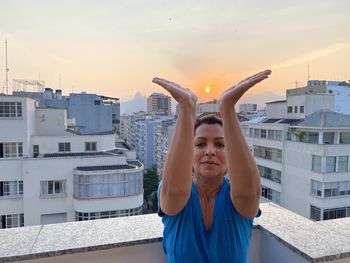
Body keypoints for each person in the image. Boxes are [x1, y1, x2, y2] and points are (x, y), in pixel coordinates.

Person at [153, 70, 271, 263]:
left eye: (220, 144)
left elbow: (248, 194)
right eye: (200, 144)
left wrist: (228, 108)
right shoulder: (173, 191)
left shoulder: (236, 195)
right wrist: (186, 107)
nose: (209, 151)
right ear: (188, 153)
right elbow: (174, 194)